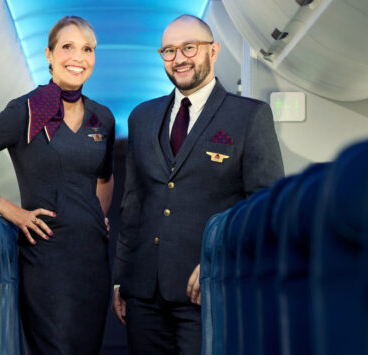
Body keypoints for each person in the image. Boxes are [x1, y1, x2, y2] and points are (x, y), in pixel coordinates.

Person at [0, 16, 114, 355]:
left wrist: (94, 214)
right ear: (48, 54)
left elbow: (105, 177)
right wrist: (8, 209)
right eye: (68, 47)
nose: (79, 57)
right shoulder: (27, 110)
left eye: (87, 49)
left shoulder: (101, 117)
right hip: (46, 260)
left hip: (93, 263)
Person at [111, 14, 284, 354]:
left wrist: (220, 259)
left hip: (208, 289)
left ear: (213, 51)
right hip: (144, 292)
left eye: (189, 47)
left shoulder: (248, 116)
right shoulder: (141, 117)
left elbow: (265, 205)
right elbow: (133, 204)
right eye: (169, 51)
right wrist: (121, 278)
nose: (179, 59)